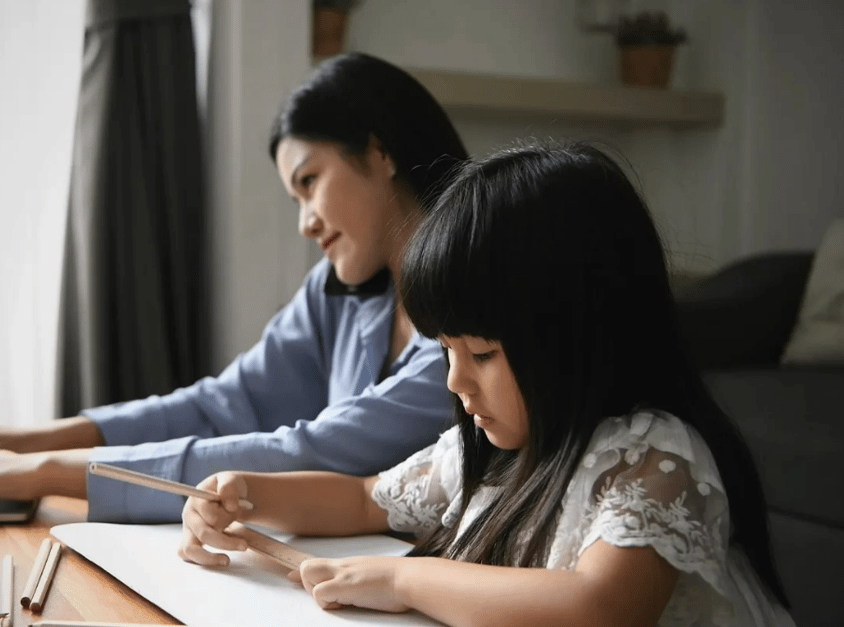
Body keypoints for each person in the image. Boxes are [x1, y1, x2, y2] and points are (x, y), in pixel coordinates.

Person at [178, 142, 794, 626]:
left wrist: (400, 581)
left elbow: (596, 609)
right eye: (446, 349)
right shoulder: (493, 452)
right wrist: (248, 494)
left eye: (482, 352)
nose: (456, 381)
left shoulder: (656, 459)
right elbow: (365, 498)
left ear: (581, 333)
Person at [0, 52, 470, 523]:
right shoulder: (338, 294)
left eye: (309, 182)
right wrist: (27, 439)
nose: (305, 223)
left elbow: (313, 454)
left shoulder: (475, 307)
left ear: (379, 151)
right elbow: (223, 406)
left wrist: (48, 473)